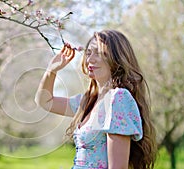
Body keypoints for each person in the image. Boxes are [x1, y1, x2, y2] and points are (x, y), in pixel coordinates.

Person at [34, 30, 157, 169]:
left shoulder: (118, 99)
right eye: (89, 53)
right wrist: (52, 70)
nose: (90, 59)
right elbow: (45, 101)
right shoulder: (88, 101)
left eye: (99, 53)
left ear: (117, 58)